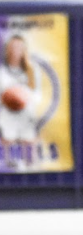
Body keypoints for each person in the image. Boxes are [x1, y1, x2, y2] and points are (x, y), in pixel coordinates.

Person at [0, 34, 41, 168]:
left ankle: (32, 171)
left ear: (24, 50)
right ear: (8, 49)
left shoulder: (31, 71)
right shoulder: (2, 72)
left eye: (19, 47)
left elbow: (37, 94)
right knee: (7, 141)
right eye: (13, 47)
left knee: (30, 147)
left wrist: (23, 97)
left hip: (26, 115)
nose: (16, 50)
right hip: (7, 115)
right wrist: (8, 98)